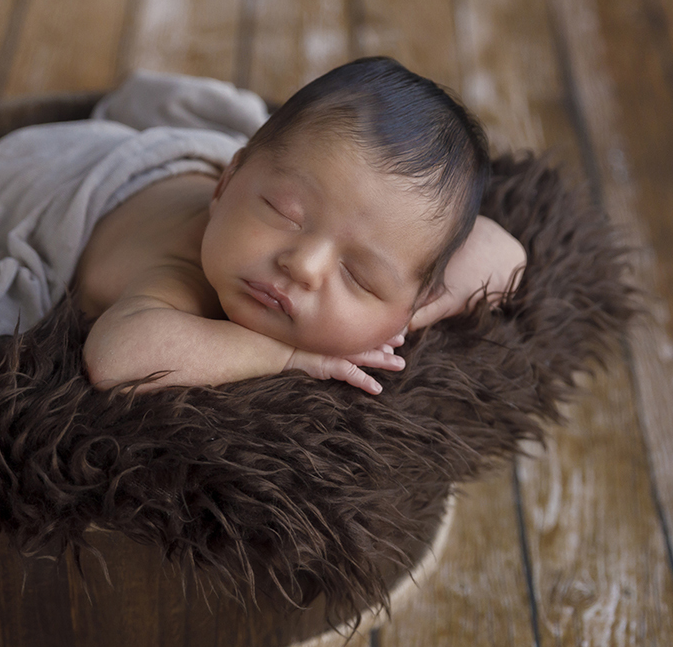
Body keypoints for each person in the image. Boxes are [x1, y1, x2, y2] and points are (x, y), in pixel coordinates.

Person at [76, 57, 526, 395]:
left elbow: (506, 255)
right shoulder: (183, 272)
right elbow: (116, 359)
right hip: (85, 181)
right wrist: (286, 354)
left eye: (360, 276)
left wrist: (404, 319)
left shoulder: (400, 293)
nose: (304, 266)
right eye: (284, 213)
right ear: (224, 187)